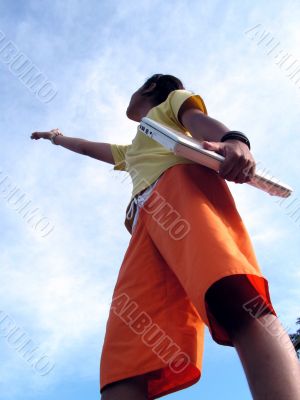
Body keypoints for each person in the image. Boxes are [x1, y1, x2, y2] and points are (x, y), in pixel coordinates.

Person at [31, 74, 300, 400]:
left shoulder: (170, 105)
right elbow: (88, 148)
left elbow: (199, 122)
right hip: (144, 226)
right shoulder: (133, 149)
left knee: (232, 294)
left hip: (179, 188)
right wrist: (56, 138)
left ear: (149, 88)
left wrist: (235, 141)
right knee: (127, 354)